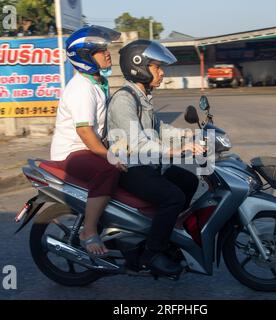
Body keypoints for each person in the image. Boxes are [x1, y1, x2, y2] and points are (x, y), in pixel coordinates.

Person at [106, 40, 205, 275]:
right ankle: (151, 254)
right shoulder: (124, 99)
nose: (161, 72)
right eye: (156, 67)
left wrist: (190, 136)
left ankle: (168, 235)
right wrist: (176, 151)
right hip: (129, 167)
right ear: (139, 67)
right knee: (173, 196)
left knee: (189, 181)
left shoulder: (142, 97)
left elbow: (160, 130)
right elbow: (138, 142)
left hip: (147, 164)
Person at [50, 25, 126, 257]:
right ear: (85, 57)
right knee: (109, 170)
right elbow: (85, 132)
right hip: (71, 154)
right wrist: (109, 156)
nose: (107, 53)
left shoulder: (96, 83)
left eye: (106, 49)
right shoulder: (81, 89)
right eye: (100, 51)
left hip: (87, 150)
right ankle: (89, 230)